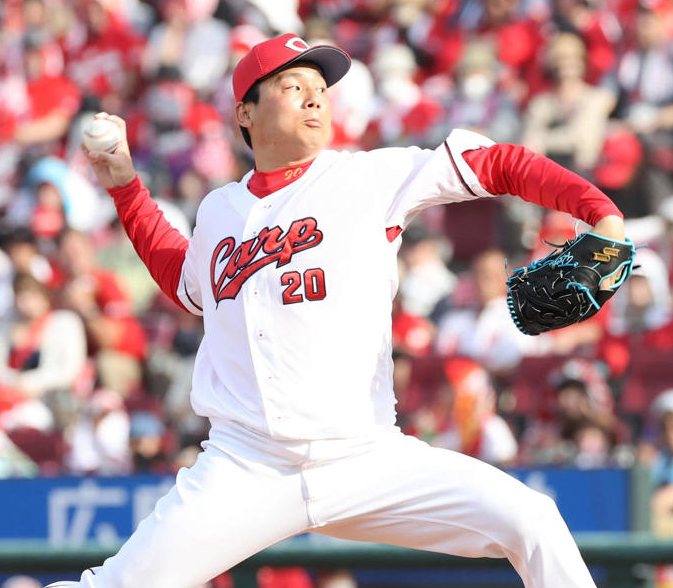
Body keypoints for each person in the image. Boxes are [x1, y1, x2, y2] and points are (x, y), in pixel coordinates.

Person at [49, 33, 628, 588]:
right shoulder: (219, 210)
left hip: (365, 457)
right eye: (293, 86)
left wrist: (599, 212)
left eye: (321, 89)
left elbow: (497, 163)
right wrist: (126, 186)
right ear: (245, 112)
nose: (315, 98)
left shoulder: (368, 177)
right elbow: (187, 284)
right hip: (244, 467)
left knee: (533, 521)